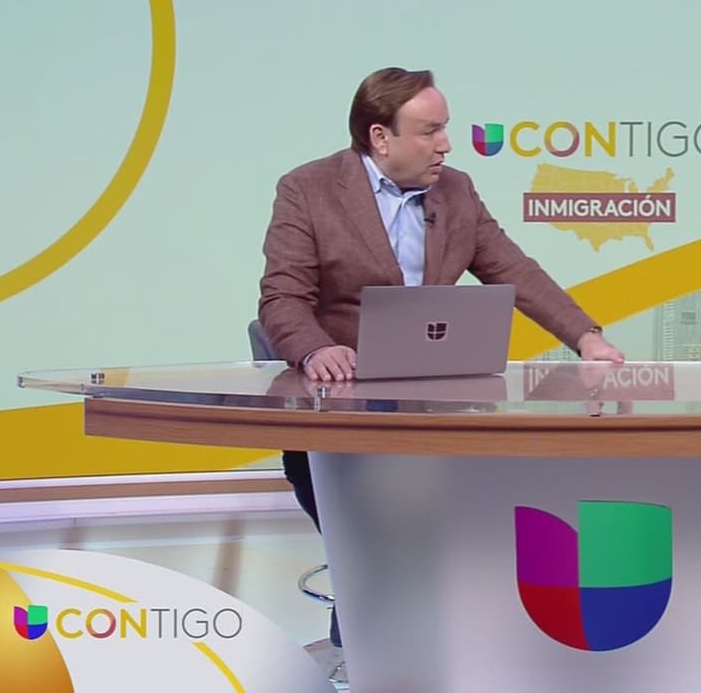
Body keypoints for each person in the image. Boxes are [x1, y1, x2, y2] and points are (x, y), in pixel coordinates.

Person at [258, 67, 624, 647]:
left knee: (466, 527)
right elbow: (282, 297)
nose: (446, 144)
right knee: (380, 544)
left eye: (445, 129)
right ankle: (369, 650)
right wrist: (316, 348)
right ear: (381, 137)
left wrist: (586, 337)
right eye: (430, 131)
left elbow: (512, 269)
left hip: (432, 408)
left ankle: (441, 651)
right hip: (341, 415)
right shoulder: (308, 189)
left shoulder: (456, 190)